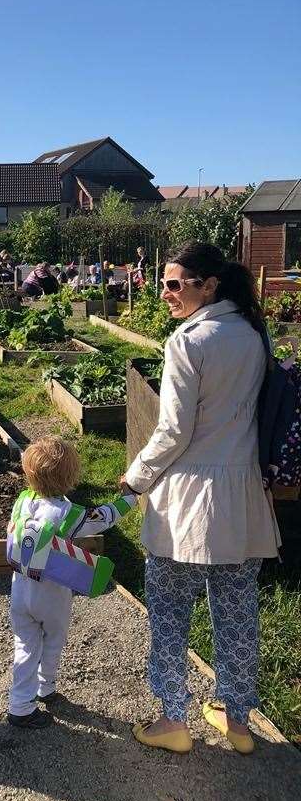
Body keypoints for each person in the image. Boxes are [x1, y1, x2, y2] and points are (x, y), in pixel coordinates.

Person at [120, 241, 280, 755]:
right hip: (243, 497)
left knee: (169, 612)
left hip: (187, 500)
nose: (163, 293)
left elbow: (173, 431)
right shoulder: (255, 334)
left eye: (172, 284)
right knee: (236, 612)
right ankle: (236, 719)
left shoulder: (189, 341)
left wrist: (135, 478)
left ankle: (173, 719)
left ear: (207, 286)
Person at [7, 436, 137, 728]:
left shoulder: (23, 502)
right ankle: (46, 687)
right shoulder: (69, 514)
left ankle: (20, 704)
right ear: (71, 478)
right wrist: (129, 496)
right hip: (51, 593)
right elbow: (104, 517)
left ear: (29, 474)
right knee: (54, 638)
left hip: (20, 588)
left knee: (25, 643)